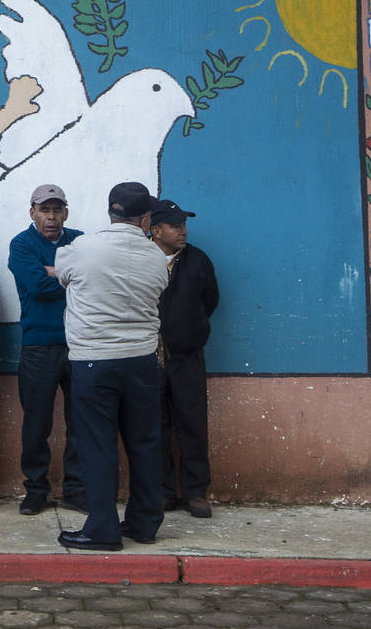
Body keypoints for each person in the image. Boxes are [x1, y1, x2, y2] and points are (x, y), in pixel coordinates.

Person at [54, 182, 168, 551]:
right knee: (146, 444)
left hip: (94, 361)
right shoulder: (155, 256)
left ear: (110, 211)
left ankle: (102, 528)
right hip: (142, 361)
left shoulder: (82, 248)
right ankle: (145, 523)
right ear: (145, 217)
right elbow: (159, 289)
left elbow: (63, 275)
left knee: (98, 446)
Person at [7, 184, 85, 516]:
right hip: (39, 345)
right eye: (44, 210)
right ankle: (36, 490)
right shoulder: (22, 244)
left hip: (81, 343)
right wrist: (69, 276)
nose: (51, 217)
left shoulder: (80, 240)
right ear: (32, 213)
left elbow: (93, 279)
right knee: (36, 424)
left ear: (65, 212)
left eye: (56, 210)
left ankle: (76, 490)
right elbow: (38, 287)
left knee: (81, 422)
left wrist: (54, 272)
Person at [150, 199, 219, 519]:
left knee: (192, 424)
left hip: (186, 356)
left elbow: (210, 301)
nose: (183, 231)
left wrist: (187, 331)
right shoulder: (142, 259)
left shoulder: (198, 260)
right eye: (175, 226)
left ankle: (195, 492)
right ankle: (163, 491)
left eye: (184, 225)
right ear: (156, 230)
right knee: (155, 425)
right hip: (148, 356)